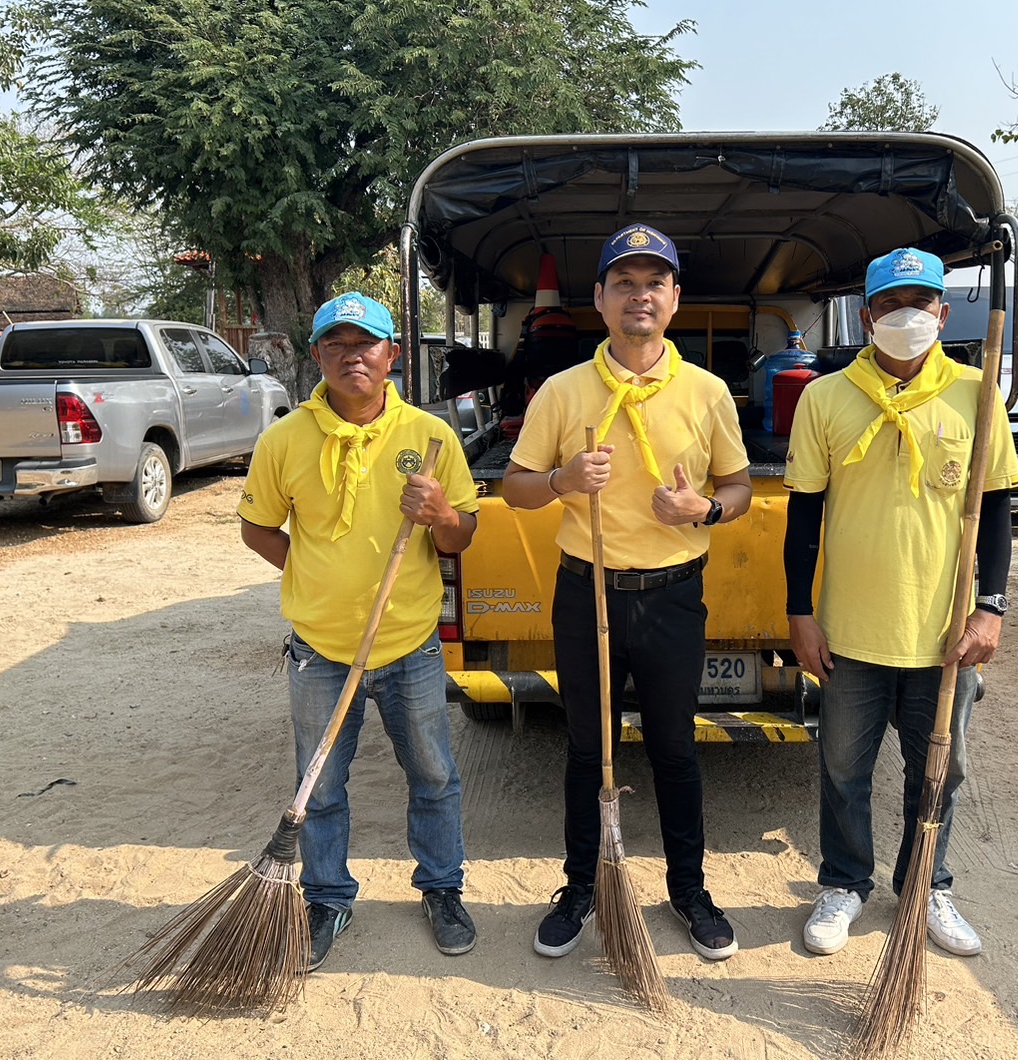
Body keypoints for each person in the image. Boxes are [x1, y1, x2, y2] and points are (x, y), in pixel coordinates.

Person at [503, 223, 753, 962]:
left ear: (673, 299)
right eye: (623, 282)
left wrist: (704, 510)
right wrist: (561, 480)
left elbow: (738, 488)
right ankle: (581, 887)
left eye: (653, 283)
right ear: (599, 299)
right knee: (590, 750)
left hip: (673, 595)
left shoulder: (707, 392)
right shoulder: (562, 391)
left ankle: (689, 891)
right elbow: (515, 488)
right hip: (587, 592)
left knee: (675, 748)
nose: (638, 295)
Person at [782, 247, 1018, 959]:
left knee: (940, 772)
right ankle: (843, 884)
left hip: (944, 633)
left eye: (920, 304)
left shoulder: (976, 394)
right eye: (890, 304)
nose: (905, 316)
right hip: (851, 630)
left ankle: (926, 885)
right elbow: (803, 517)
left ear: (943, 315)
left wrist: (991, 607)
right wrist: (799, 611)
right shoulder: (825, 398)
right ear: (866, 317)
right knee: (842, 769)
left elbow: (998, 509)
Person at [237, 291, 481, 970]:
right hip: (319, 650)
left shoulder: (429, 438)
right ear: (317, 355)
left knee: (433, 775)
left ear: (391, 354)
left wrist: (440, 514)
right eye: (337, 344)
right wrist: (311, 574)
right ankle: (327, 898)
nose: (353, 356)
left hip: (410, 645)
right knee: (318, 787)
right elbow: (258, 527)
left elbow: (462, 537)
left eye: (366, 343)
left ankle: (442, 888)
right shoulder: (284, 440)